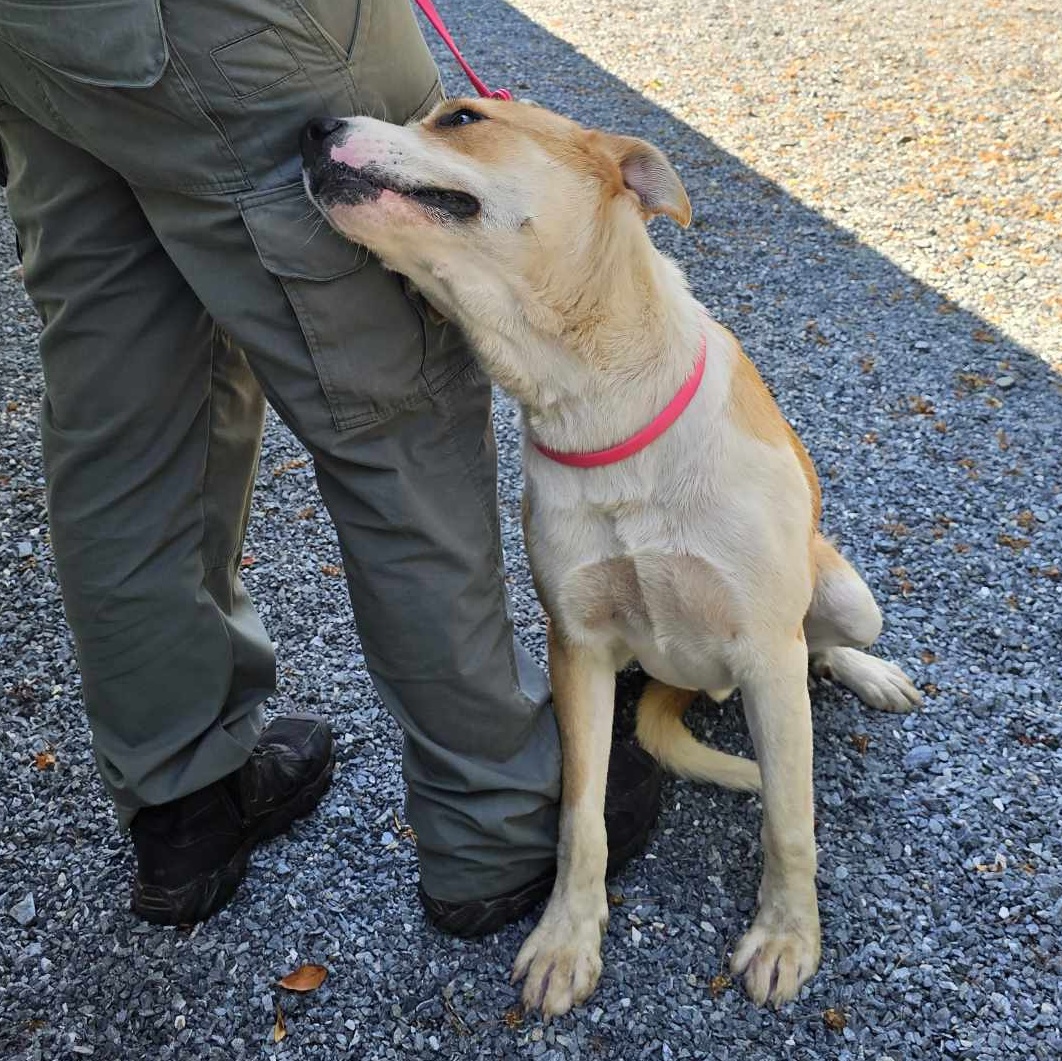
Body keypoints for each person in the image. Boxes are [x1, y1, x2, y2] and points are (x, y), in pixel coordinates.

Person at [0, 0, 659, 933]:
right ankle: (499, 821)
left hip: (41, 35)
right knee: (400, 400)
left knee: (127, 408)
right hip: (218, 27)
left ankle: (184, 797)